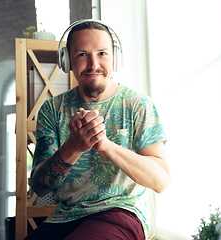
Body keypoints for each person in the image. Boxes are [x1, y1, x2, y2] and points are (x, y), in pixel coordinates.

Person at [25, 19, 170, 240]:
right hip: (65, 217)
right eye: (82, 54)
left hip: (121, 212)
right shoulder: (52, 109)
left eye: (102, 53)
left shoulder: (139, 106)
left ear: (114, 58)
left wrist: (106, 146)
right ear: (67, 61)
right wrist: (73, 148)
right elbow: (40, 186)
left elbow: (160, 181)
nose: (94, 64)